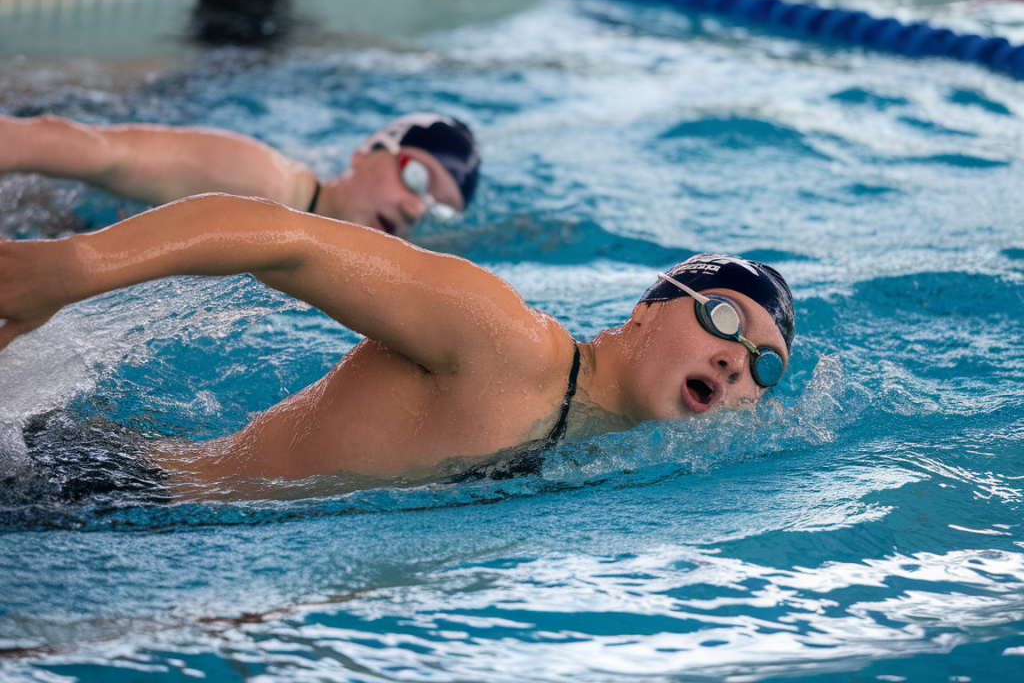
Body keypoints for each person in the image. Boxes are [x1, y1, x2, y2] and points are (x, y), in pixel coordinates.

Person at [0, 194, 794, 498]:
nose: (736, 361)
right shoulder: (503, 341)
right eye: (725, 320)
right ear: (649, 312)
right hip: (81, 485)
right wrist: (67, 268)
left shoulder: (595, 448)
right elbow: (287, 241)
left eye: (765, 366)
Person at [0, 112, 480, 239]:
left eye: (437, 208)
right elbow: (104, 154)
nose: (417, 208)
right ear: (368, 151)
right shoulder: (262, 180)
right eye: (417, 178)